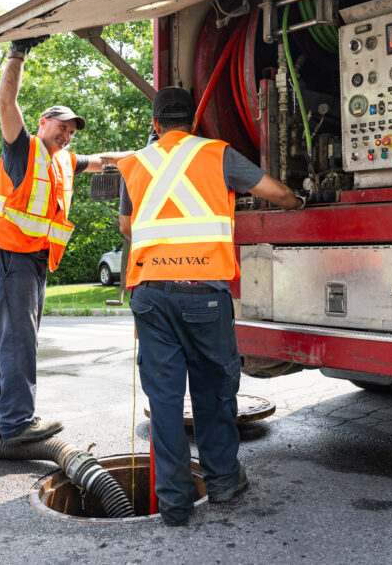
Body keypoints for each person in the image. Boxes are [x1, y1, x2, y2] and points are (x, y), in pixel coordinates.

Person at [118, 86, 304, 526]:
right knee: (214, 391)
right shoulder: (216, 154)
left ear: (156, 124)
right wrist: (297, 200)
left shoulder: (135, 163)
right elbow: (273, 191)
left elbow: (127, 226)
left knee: (164, 401)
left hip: (150, 295)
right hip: (202, 293)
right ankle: (222, 481)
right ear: (193, 123)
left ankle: (174, 503)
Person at [0, 36, 131, 445]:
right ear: (43, 122)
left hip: (34, 260)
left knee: (12, 337)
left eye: (71, 133)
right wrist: (17, 54)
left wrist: (152, 152)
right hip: (12, 256)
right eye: (62, 128)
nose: (67, 136)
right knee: (19, 339)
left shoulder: (63, 161)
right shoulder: (22, 149)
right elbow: (6, 102)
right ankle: (17, 422)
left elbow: (105, 161)